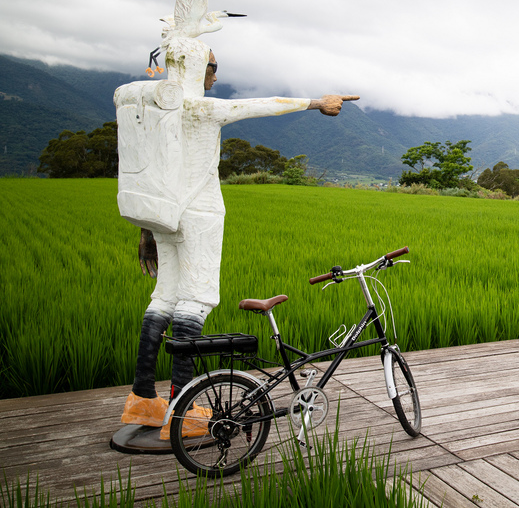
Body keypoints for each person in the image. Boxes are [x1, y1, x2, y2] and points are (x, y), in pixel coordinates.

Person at [120, 47, 356, 435]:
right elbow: (262, 105)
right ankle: (184, 409)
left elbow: (147, 173)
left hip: (164, 216)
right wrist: (319, 103)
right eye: (212, 69)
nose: (214, 77)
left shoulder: (155, 112)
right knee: (195, 302)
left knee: (162, 298)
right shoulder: (202, 109)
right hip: (200, 215)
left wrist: (147, 229)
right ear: (199, 69)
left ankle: (142, 400)